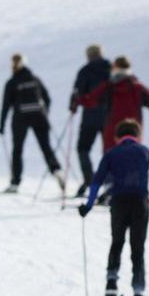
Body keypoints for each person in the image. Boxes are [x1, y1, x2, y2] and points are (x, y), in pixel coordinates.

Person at [80, 119, 149, 296]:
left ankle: (111, 287)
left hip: (118, 203)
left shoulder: (111, 154)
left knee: (117, 243)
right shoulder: (144, 151)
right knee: (137, 248)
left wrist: (88, 206)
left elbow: (97, 180)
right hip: (140, 204)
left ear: (117, 137)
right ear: (138, 136)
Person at [0, 54, 61, 192]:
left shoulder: (12, 82)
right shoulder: (35, 79)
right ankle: (57, 171)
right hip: (40, 117)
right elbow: (47, 98)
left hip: (20, 118)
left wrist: (1, 125)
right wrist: (45, 113)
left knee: (17, 150)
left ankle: (15, 182)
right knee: (46, 147)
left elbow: (5, 105)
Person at [75, 56, 149, 153]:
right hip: (134, 133)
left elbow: (90, 100)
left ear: (115, 69)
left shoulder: (109, 87)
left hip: (113, 136)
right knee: (133, 159)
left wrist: (78, 99)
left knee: (113, 160)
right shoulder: (138, 87)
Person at [67, 44, 111, 194]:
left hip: (90, 116)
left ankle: (89, 179)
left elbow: (77, 91)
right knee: (109, 150)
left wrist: (73, 107)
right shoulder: (111, 68)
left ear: (88, 55)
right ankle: (109, 183)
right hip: (109, 115)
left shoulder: (85, 70)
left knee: (83, 148)